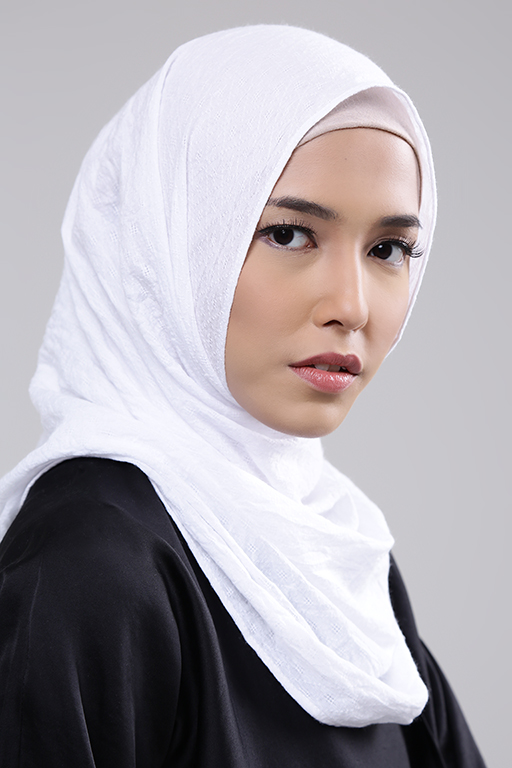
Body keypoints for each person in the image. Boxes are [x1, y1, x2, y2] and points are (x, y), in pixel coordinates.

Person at [0, 25, 485, 767]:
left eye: (388, 249)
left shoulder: (342, 558)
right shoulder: (93, 561)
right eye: (290, 235)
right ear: (164, 247)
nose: (352, 306)